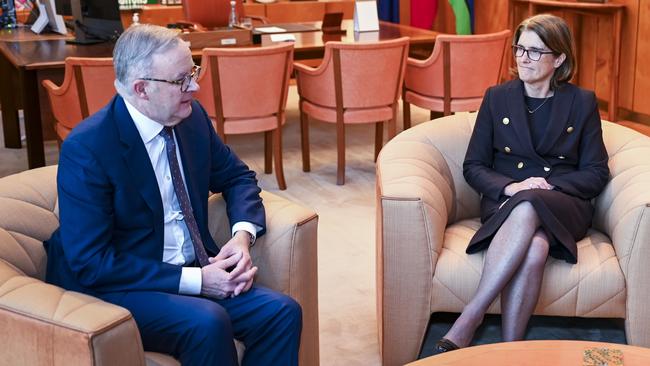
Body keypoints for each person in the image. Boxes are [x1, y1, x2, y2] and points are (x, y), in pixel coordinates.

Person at [44, 24, 301, 365]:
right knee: (207, 322)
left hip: (193, 265)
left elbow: (238, 177)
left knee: (282, 312)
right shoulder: (89, 147)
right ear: (141, 89)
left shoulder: (191, 120)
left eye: (193, 72)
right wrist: (199, 281)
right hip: (121, 285)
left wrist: (242, 237)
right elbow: (92, 262)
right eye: (181, 80)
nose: (194, 87)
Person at [433, 14, 609, 354]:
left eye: (535, 51)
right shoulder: (497, 97)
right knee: (536, 249)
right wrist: (511, 188)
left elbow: (596, 172)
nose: (523, 58)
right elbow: (474, 165)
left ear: (559, 59)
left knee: (531, 201)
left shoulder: (582, 102)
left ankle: (472, 314)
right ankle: (510, 351)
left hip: (562, 203)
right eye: (519, 49)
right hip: (506, 201)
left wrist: (547, 187)